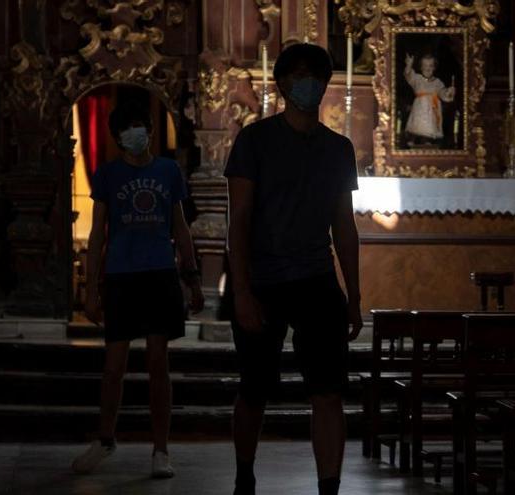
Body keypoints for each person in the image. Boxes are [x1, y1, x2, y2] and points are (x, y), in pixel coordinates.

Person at [224, 42, 362, 495]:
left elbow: (344, 224)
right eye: (300, 75)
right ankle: (245, 474)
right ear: (282, 84)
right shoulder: (255, 141)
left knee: (327, 392)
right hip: (262, 280)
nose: (309, 84)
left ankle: (329, 488)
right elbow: (239, 220)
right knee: (255, 390)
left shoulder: (338, 149)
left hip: (317, 280)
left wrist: (354, 295)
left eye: (317, 76)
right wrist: (241, 291)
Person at [71, 100, 204, 478]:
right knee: (113, 367)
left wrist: (192, 278)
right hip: (121, 276)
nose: (134, 134)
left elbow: (180, 227)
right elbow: (99, 234)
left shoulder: (167, 171)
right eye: (125, 130)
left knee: (158, 365)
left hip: (160, 273)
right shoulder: (108, 174)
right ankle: (105, 438)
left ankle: (161, 450)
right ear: (116, 138)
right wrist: (92, 293)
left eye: (139, 127)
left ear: (149, 130)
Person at [403, 53, 455, 144]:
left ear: (434, 67)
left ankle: (427, 140)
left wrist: (449, 92)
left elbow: (443, 94)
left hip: (432, 110)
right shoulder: (417, 79)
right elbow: (408, 75)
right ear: (421, 67)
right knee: (417, 125)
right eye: (425, 65)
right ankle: (413, 139)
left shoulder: (437, 82)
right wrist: (409, 65)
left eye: (431, 66)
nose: (428, 68)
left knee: (429, 127)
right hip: (419, 108)